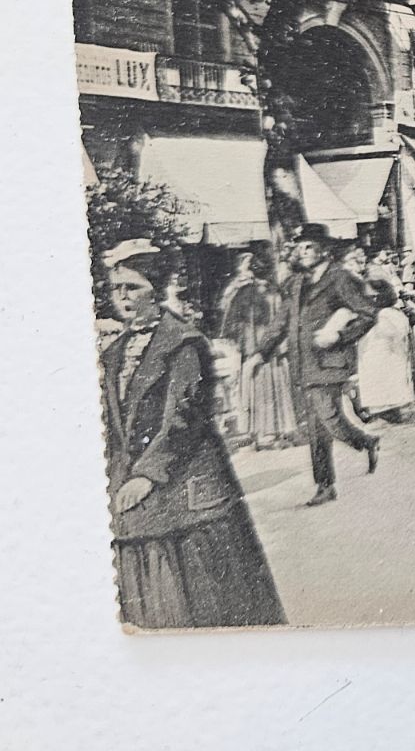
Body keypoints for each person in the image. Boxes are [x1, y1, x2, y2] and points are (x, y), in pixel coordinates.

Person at [100, 240, 285, 628]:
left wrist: (147, 475)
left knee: (200, 601)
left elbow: (184, 416)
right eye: (116, 288)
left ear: (156, 288)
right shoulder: (113, 353)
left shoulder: (184, 343)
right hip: (132, 492)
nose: (122, 298)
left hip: (186, 492)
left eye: (132, 287)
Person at [265, 225, 382, 507]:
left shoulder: (340, 278)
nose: (302, 252)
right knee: (317, 426)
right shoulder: (295, 284)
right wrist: (261, 351)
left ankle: (362, 443)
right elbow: (282, 320)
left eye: (308, 246)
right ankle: (327, 483)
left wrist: (339, 336)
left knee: (327, 416)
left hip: (329, 362)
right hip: (303, 363)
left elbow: (368, 313)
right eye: (299, 247)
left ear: (324, 249)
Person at [219, 249, 297, 450]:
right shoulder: (277, 292)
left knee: (254, 387)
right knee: (276, 386)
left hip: (251, 347)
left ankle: (259, 433)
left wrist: (240, 340)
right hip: (273, 349)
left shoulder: (243, 292)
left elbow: (230, 322)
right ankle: (277, 431)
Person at [355, 245, 415, 417]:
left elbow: (386, 295)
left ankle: (386, 405)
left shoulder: (374, 276)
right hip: (378, 321)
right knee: (382, 365)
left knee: (383, 364)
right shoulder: (370, 275)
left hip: (380, 320)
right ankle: (387, 404)